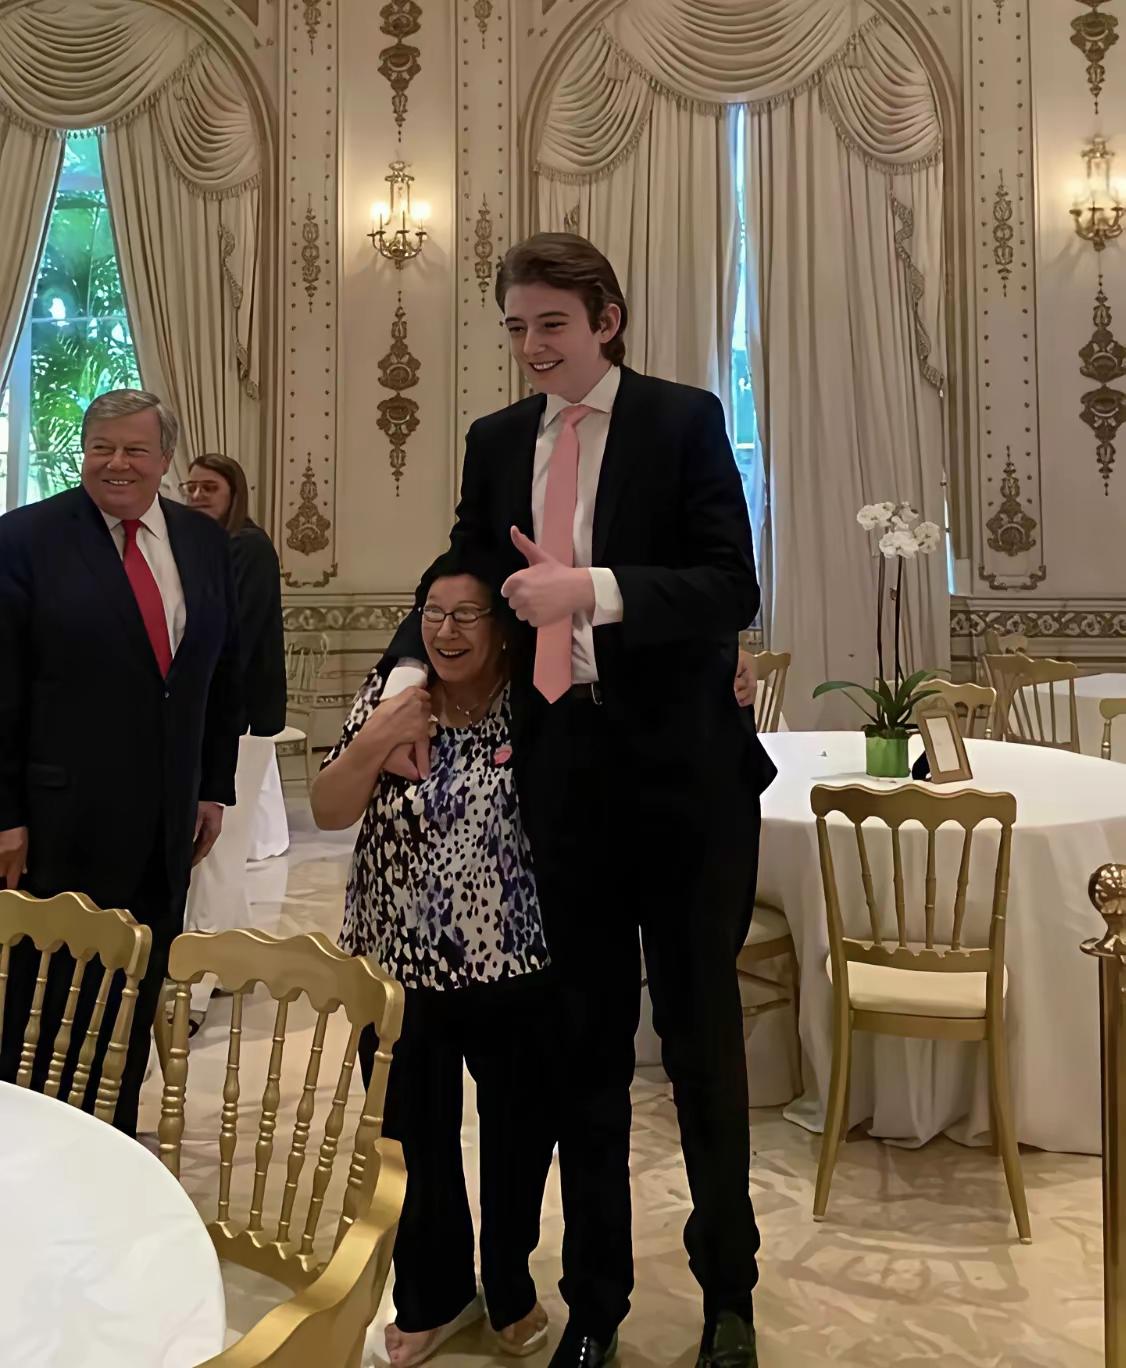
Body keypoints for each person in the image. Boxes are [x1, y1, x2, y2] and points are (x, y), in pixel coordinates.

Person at [379, 233, 776, 1368]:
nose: (531, 346)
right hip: (559, 786)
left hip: (687, 785)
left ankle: (729, 1294)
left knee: (701, 1048)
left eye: (551, 323)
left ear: (606, 319)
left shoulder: (682, 420)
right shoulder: (497, 440)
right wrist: (405, 676)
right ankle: (595, 1303)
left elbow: (729, 585)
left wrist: (588, 591)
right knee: (584, 1054)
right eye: (515, 326)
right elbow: (457, 577)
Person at [311, 548, 554, 1367]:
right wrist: (375, 740)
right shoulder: (395, 696)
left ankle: (510, 1284)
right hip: (394, 968)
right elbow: (329, 808)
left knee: (518, 1138)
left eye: (467, 615)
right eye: (434, 615)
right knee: (412, 1140)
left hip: (513, 967)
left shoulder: (534, 704)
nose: (448, 631)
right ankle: (434, 1293)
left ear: (502, 627)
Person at [0, 389, 241, 1136]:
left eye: (135, 449)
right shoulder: (25, 538)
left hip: (165, 825)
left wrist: (212, 787)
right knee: (44, 1002)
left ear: (165, 458)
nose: (117, 463)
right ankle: (32, 1150)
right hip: (56, 822)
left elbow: (217, 675)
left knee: (134, 991)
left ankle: (114, 1139)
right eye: (101, 447)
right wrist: (4, 814)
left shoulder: (202, 543)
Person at [180, 454, 287, 1023]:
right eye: (191, 486)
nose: (198, 495)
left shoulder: (247, 547)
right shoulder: (208, 546)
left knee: (215, 852)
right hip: (220, 718)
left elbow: (232, 638)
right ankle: (232, 967)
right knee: (223, 852)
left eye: (210, 487)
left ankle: (192, 994)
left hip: (237, 721)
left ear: (234, 493)